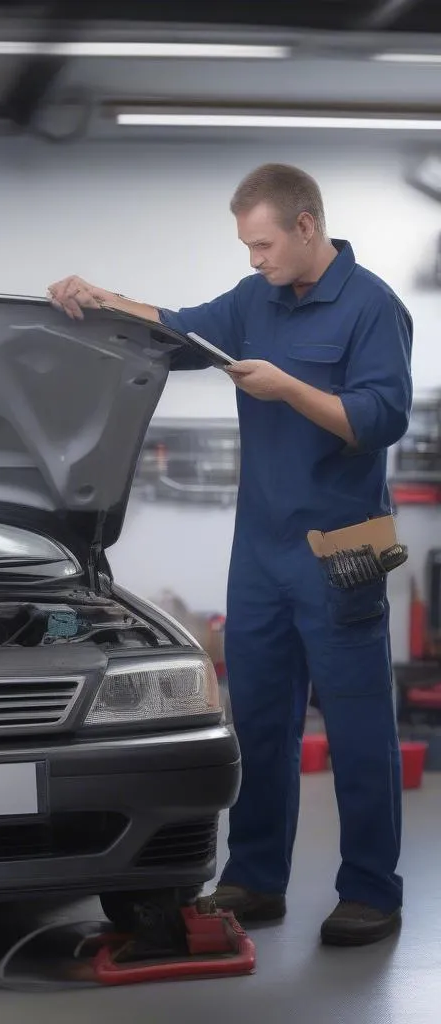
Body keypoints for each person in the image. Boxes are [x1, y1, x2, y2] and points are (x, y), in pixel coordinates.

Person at [48, 163, 413, 947]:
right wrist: (99, 297)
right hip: (262, 551)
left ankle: (373, 892)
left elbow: (380, 420)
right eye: (246, 246)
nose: (254, 259)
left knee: (357, 727)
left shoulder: (373, 306)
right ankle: (254, 877)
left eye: (263, 243)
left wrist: (289, 389)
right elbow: (178, 331)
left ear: (307, 225)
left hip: (345, 547)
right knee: (260, 720)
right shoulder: (256, 302)